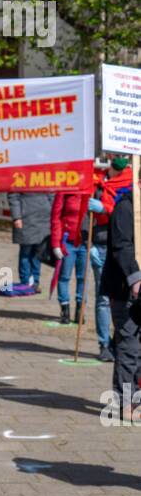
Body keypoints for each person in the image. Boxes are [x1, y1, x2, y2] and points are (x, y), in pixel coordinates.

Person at [102, 180, 141, 420]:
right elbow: (122, 247)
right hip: (126, 290)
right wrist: (135, 278)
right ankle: (123, 402)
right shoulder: (126, 208)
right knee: (129, 347)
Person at [90, 156, 132, 360]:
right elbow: (82, 211)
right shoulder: (97, 181)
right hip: (100, 241)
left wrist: (104, 208)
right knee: (104, 297)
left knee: (125, 300)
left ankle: (120, 342)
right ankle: (104, 344)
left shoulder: (131, 184)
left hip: (124, 247)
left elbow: (126, 212)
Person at [50, 186, 96, 325]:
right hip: (68, 241)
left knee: (83, 278)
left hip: (86, 241)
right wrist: (56, 243)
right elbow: (56, 217)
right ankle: (65, 310)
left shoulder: (93, 189)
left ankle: (79, 311)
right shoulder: (65, 190)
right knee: (64, 276)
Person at [8, 190, 55, 292]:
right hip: (26, 219)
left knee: (38, 253)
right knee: (26, 251)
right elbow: (13, 196)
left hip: (44, 219)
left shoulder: (44, 175)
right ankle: (25, 282)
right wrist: (17, 217)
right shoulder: (19, 176)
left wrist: (54, 213)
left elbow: (51, 193)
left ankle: (35, 282)